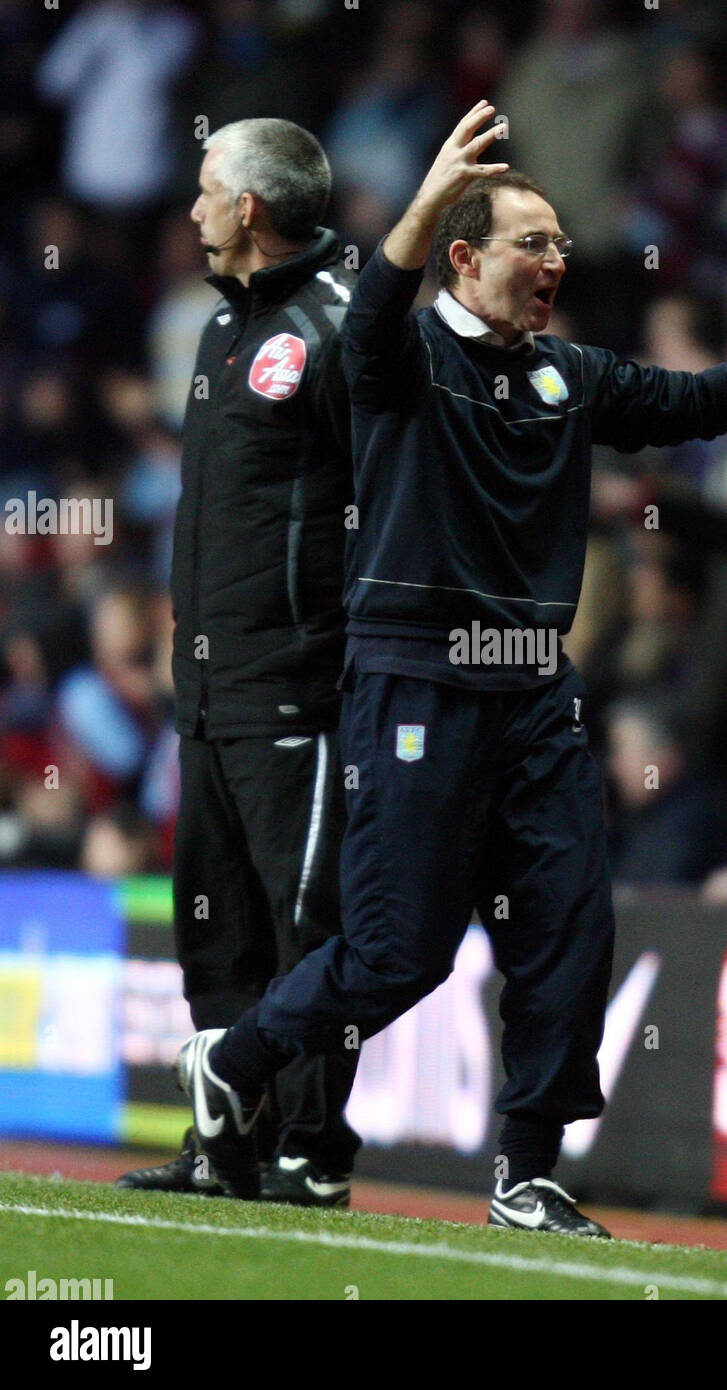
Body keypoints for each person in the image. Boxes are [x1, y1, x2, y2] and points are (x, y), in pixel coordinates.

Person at [174, 102, 727, 1235]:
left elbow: (703, 403)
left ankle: (529, 1170)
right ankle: (237, 1057)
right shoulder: (398, 361)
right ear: (464, 257)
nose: (556, 261)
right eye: (533, 242)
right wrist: (422, 197)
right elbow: (368, 317)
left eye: (562, 243)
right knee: (394, 953)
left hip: (533, 695)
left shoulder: (570, 376)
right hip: (412, 682)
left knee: (570, 929)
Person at [118, 118, 361, 1205]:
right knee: (217, 930)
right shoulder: (225, 329)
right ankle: (229, 1140)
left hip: (296, 685)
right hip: (207, 688)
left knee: (303, 925)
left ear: (250, 208)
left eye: (206, 189)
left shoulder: (339, 325)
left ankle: (313, 1150)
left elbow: (390, 500)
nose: (192, 209)